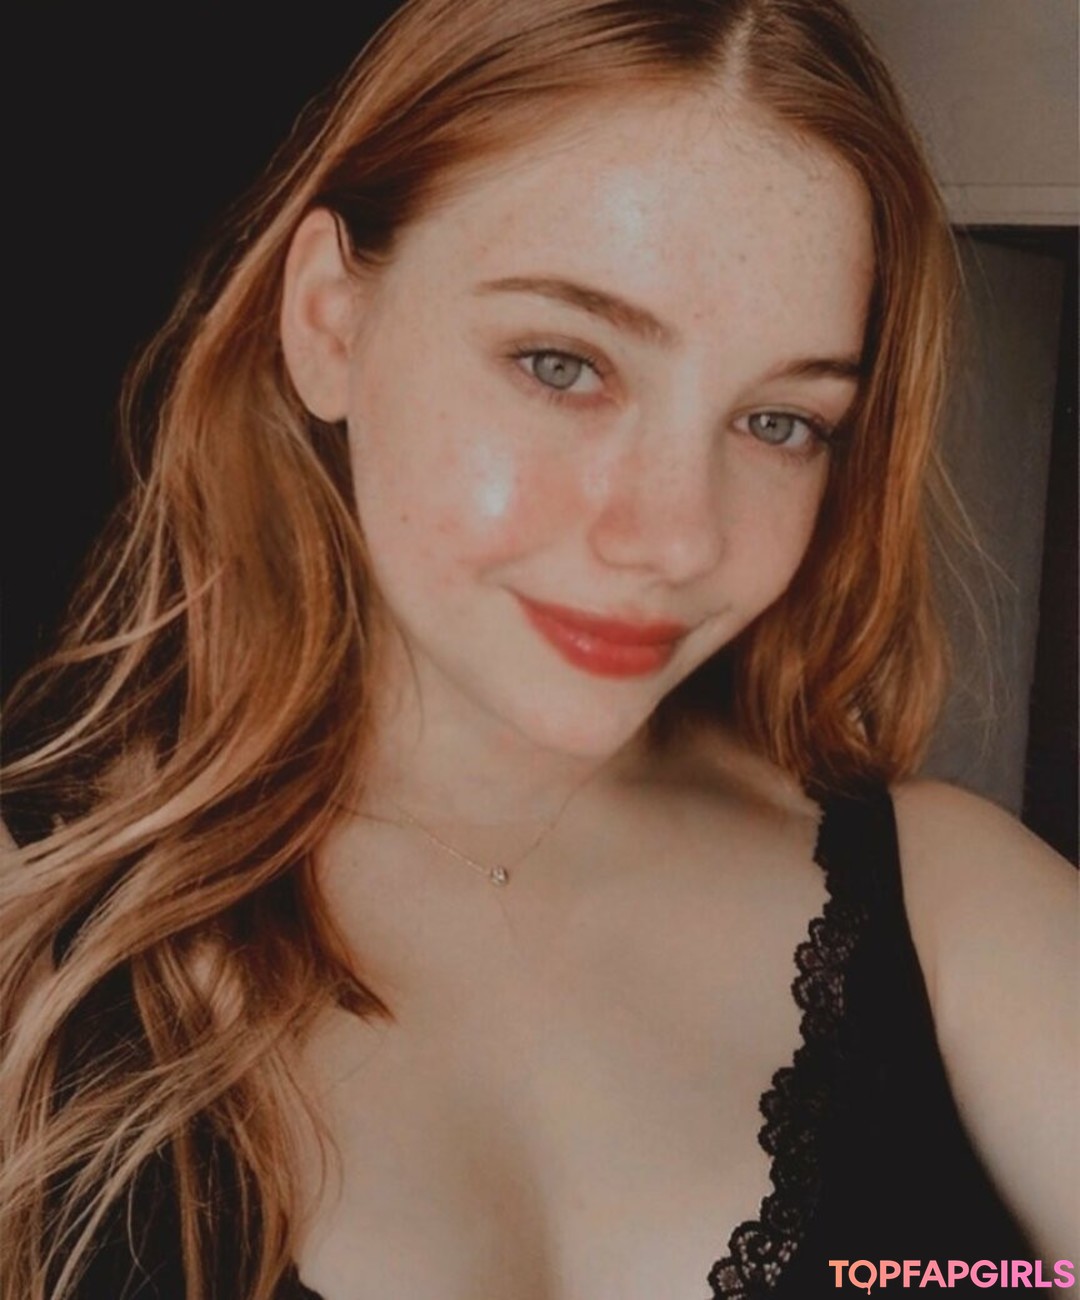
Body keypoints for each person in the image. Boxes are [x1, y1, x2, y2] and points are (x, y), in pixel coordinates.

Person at [1, 1, 1076, 1297]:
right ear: (330, 323)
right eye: (562, 364)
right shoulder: (29, 939)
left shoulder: (957, 910)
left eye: (780, 422)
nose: (676, 539)